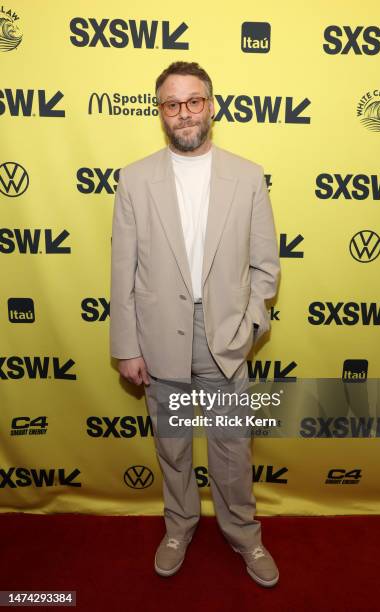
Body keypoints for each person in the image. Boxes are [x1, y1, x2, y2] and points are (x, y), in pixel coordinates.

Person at [110, 61, 281, 588]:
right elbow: (123, 268)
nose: (183, 113)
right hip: (160, 335)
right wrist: (127, 345)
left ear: (211, 104)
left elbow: (264, 265)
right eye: (171, 103)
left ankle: (244, 534)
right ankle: (179, 525)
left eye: (194, 101)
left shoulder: (248, 176)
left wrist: (250, 325)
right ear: (159, 111)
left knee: (232, 446)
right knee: (173, 444)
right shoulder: (135, 179)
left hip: (224, 335)